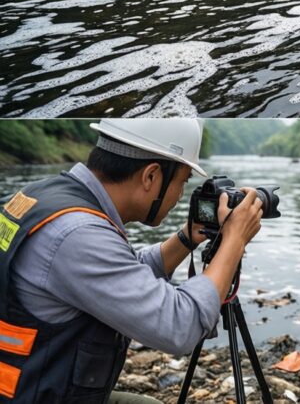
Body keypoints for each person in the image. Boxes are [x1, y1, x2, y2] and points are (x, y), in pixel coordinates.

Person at [0, 118, 264, 403]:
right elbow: (179, 326)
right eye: (182, 182)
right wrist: (234, 242)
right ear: (151, 176)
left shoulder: (48, 196)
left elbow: (120, 273)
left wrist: (187, 238)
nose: (179, 195)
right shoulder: (78, 234)